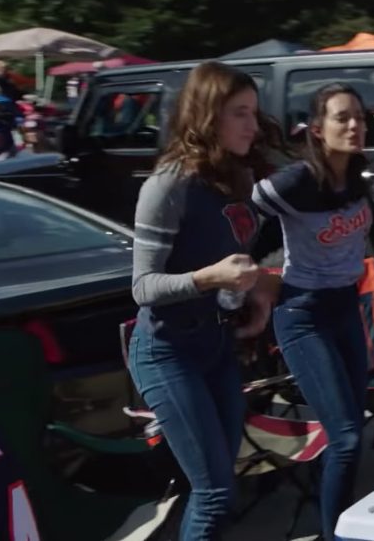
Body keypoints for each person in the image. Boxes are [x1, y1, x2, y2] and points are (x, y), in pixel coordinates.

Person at [129, 61, 277, 540]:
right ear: (207, 115)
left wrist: (254, 293)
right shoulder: (168, 184)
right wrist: (208, 278)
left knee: (217, 490)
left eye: (254, 112)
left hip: (217, 348)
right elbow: (143, 287)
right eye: (240, 113)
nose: (253, 126)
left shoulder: (235, 176)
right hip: (167, 353)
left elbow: (234, 257)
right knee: (214, 495)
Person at [251, 83, 372, 539]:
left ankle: (341, 521)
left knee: (348, 432)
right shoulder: (297, 180)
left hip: (346, 307)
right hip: (303, 314)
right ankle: (335, 534)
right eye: (343, 118)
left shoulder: (357, 176)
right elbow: (241, 216)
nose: (355, 125)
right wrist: (257, 277)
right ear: (317, 130)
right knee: (345, 436)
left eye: (359, 116)